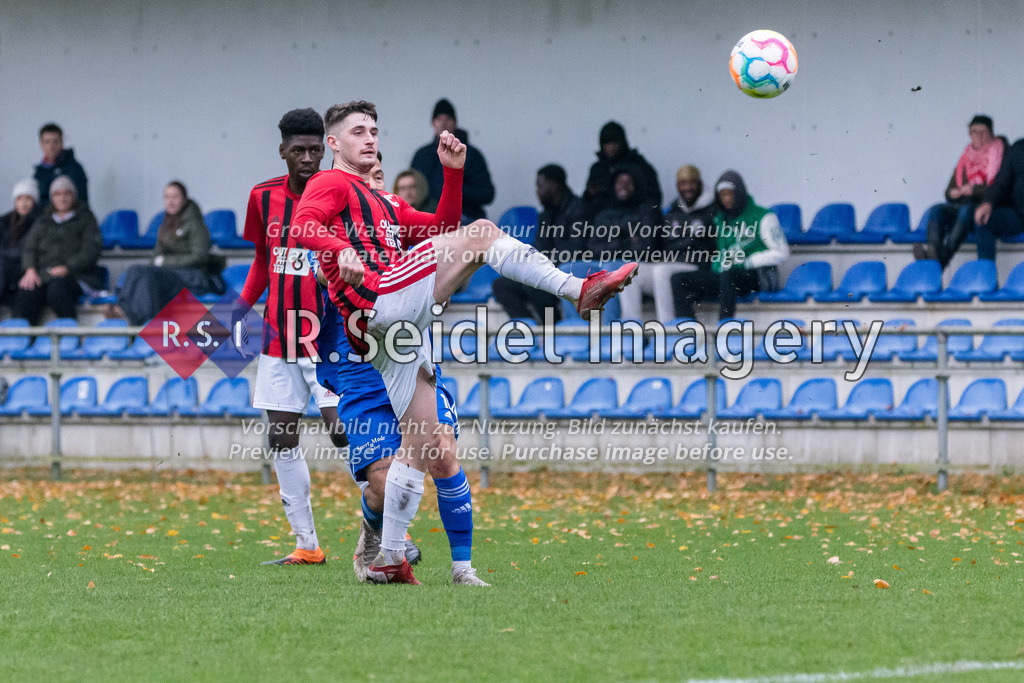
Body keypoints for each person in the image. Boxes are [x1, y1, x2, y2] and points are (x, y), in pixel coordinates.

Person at [293, 100, 636, 584]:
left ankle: (393, 559)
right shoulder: (331, 182)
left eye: (374, 130)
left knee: (426, 443)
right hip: (378, 304)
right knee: (482, 233)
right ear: (334, 143)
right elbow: (302, 225)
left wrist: (452, 175)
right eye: (357, 132)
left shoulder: (387, 204)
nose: (370, 139)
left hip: (395, 335)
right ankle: (577, 290)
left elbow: (438, 229)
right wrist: (340, 248)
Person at [233, 108, 349, 566]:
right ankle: (307, 545)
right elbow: (264, 261)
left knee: (343, 433)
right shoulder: (262, 198)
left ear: (325, 150)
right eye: (298, 150)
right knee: (281, 436)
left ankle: (384, 535)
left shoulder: (341, 195)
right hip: (279, 336)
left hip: (329, 336)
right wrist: (238, 311)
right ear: (282, 151)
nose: (307, 158)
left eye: (315, 150)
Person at [671, 170, 788, 320]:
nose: (727, 198)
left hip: (758, 274)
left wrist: (748, 262)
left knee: (729, 276)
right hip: (729, 275)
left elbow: (781, 252)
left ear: (739, 192)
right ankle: (688, 330)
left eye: (730, 193)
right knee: (679, 279)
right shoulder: (720, 220)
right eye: (723, 195)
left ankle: (725, 328)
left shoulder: (764, 216)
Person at [114, 182, 225, 325]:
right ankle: (126, 310)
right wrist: (162, 262)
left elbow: (199, 257)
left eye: (175, 196)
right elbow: (155, 258)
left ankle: (143, 321)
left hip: (191, 277)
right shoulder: (165, 226)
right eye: (167, 197)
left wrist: (165, 261)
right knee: (135, 271)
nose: (170, 201)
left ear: (184, 199)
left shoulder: (196, 224)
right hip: (170, 275)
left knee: (148, 279)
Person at [492, 164, 588, 323]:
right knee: (501, 285)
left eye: (540, 185)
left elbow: (575, 250)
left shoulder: (579, 209)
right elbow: (539, 248)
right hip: (547, 271)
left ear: (555, 185)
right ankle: (527, 329)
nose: (537, 191)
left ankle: (552, 326)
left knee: (534, 284)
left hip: (568, 273)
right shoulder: (545, 215)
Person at [915, 115, 1006, 268]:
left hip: (981, 212)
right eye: (974, 132)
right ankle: (933, 251)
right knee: (937, 210)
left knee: (967, 209)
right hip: (961, 208)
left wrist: (974, 190)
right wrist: (953, 193)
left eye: (983, 132)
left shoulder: (1000, 155)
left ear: (991, 133)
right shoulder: (965, 158)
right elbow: (948, 191)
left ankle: (941, 259)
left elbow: (999, 188)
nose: (978, 136)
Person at [14, 176, 101, 324]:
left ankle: (70, 336)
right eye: (57, 194)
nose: (62, 198)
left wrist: (68, 267)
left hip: (76, 276)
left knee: (57, 290)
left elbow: (91, 251)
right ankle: (26, 340)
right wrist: (30, 269)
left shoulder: (87, 219)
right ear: (51, 197)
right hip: (43, 275)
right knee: (26, 291)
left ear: (74, 196)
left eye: (67, 193)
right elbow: (29, 249)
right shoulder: (42, 220)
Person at [643, 164, 719, 322]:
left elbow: (712, 246)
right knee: (630, 272)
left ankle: (668, 329)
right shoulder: (672, 212)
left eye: (692, 182)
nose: (688, 187)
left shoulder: (712, 210)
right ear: (678, 186)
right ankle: (631, 332)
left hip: (697, 267)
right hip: (670, 265)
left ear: (699, 183)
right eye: (683, 183)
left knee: (661, 272)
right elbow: (662, 245)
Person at [588, 168, 663, 320]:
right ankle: (577, 334)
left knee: (610, 268)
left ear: (637, 186)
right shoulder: (604, 212)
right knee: (569, 269)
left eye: (629, 182)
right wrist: (625, 240)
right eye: (619, 182)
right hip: (604, 262)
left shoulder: (647, 210)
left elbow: (645, 248)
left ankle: (610, 329)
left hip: (633, 266)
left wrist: (612, 241)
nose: (623, 186)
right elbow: (593, 248)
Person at [410, 98, 494, 221]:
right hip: (427, 217)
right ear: (433, 123)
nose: (443, 124)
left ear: (455, 123)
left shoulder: (471, 154)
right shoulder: (422, 155)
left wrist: (454, 190)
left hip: (464, 217)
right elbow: (410, 187)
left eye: (448, 119)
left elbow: (487, 194)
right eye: (439, 119)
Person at [583, 121, 661, 216]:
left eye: (614, 142)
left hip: (634, 221)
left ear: (622, 142)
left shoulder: (639, 165)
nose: (611, 147)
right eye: (607, 143)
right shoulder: (598, 169)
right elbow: (586, 202)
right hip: (604, 222)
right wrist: (589, 194)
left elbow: (654, 197)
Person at [0, 179, 42, 308]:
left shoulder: (42, 223)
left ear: (35, 202)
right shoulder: (4, 223)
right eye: (19, 199)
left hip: (27, 272)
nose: (23, 203)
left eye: (28, 198)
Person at [33, 123, 89, 206]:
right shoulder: (39, 172)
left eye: (55, 142)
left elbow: (81, 200)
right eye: (47, 142)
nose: (51, 146)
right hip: (45, 217)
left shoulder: (74, 169)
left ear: (62, 142)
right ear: (41, 144)